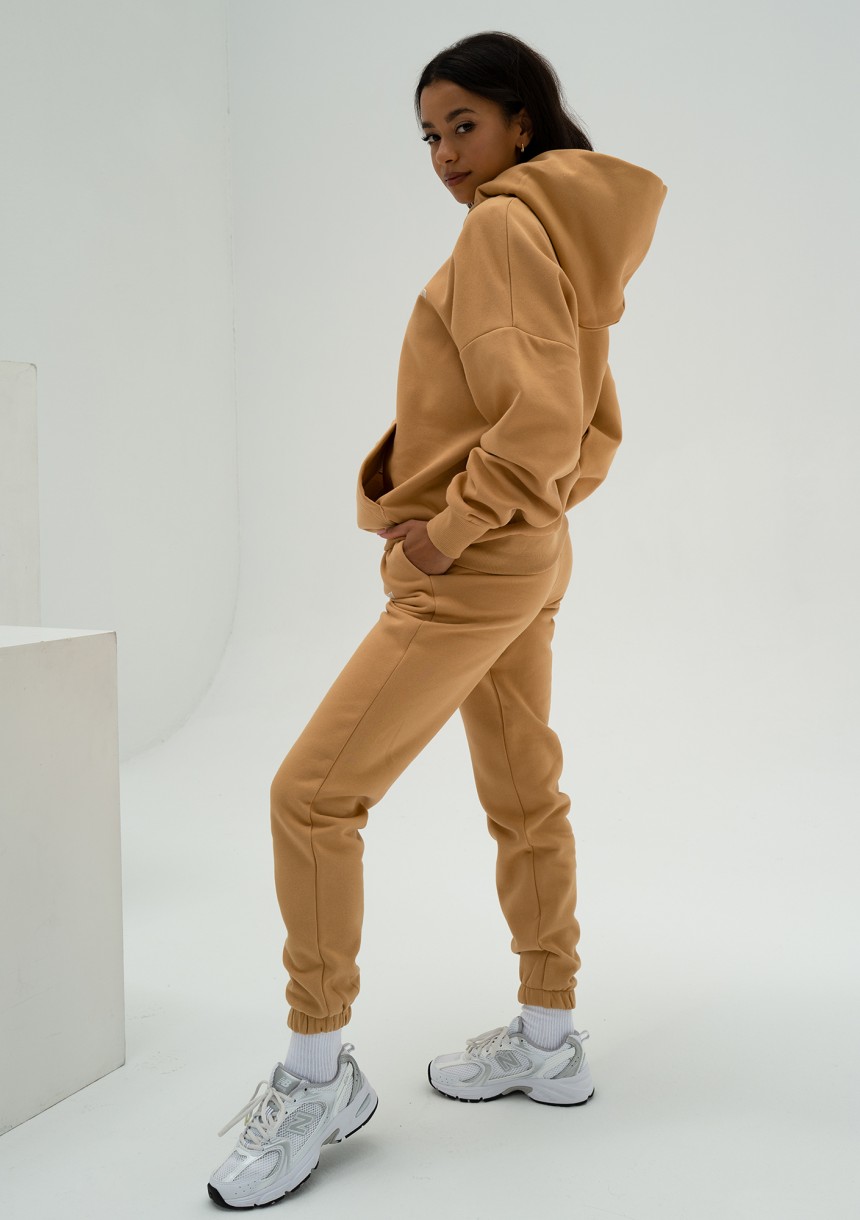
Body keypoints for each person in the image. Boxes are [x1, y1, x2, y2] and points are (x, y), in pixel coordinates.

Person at [207, 29, 668, 1208]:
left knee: (311, 796)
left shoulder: (505, 227)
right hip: (528, 552)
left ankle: (316, 1072)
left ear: (521, 122)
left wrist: (449, 530)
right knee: (523, 789)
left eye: (463, 124)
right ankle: (547, 1035)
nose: (445, 154)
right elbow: (583, 425)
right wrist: (520, 521)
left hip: (475, 564)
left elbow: (541, 420)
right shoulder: (564, 228)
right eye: (427, 135)